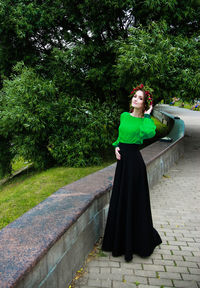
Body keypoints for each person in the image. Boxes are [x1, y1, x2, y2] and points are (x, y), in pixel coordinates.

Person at [101, 84, 162, 262]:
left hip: (135, 165)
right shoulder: (124, 116)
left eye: (140, 98)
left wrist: (148, 115)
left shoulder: (144, 122)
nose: (136, 99)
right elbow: (120, 137)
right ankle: (119, 242)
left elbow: (150, 133)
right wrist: (116, 147)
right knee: (121, 200)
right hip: (122, 164)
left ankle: (136, 243)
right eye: (135, 96)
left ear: (145, 104)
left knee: (135, 203)